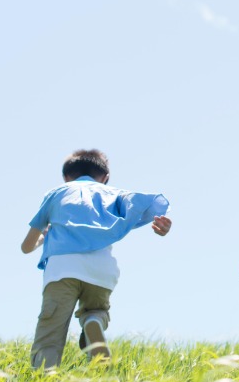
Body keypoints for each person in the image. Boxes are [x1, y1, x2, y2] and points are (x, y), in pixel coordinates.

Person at [21, 149, 172, 369]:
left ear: (66, 177)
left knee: (50, 329)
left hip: (62, 269)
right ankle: (93, 322)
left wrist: (45, 236)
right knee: (97, 311)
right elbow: (147, 205)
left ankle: (45, 378)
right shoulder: (114, 194)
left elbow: (26, 247)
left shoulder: (57, 193)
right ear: (105, 178)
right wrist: (162, 227)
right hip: (101, 271)